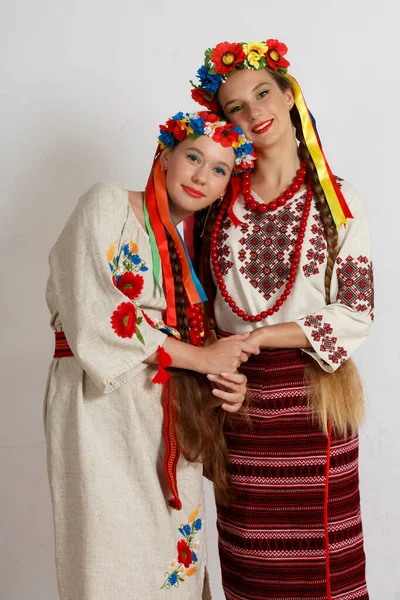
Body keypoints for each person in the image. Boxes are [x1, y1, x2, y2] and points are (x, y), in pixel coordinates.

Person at [43, 110, 259, 600]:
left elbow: (203, 351)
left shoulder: (191, 252)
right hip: (100, 408)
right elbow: (95, 311)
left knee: (174, 560)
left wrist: (224, 377)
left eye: (220, 170)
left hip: (168, 416)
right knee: (108, 555)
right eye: (193, 157)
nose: (203, 176)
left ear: (227, 187)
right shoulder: (107, 204)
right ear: (164, 156)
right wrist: (202, 359)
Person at [189, 40, 373, 599]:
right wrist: (216, 373)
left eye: (262, 92)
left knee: (322, 566)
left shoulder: (339, 201)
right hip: (236, 400)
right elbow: (195, 306)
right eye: (234, 107)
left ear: (290, 94)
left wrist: (266, 335)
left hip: (315, 397)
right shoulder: (215, 201)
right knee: (250, 563)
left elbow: (356, 310)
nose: (253, 113)